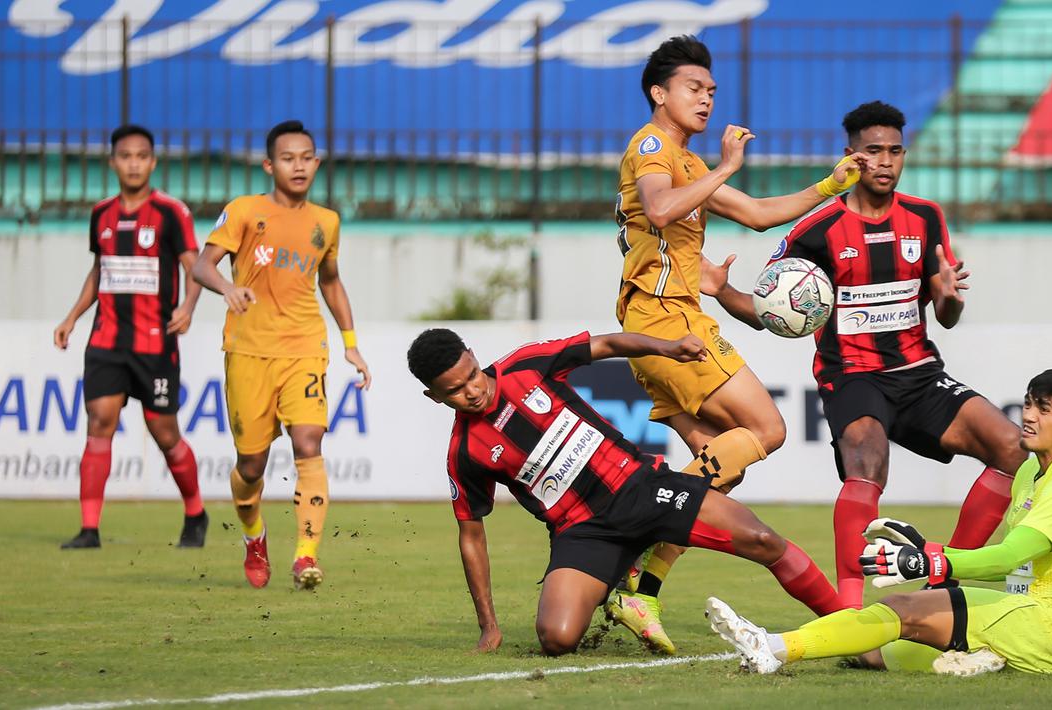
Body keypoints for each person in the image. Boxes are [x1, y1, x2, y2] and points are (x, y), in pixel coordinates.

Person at [703, 101, 1028, 609]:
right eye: (873, 151)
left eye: (895, 151)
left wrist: (949, 296)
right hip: (852, 376)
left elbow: (946, 316)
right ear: (850, 156)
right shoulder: (816, 231)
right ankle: (851, 611)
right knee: (868, 464)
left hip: (920, 374)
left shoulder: (925, 217)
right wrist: (724, 292)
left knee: (1011, 447)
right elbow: (770, 312)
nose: (885, 161)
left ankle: (943, 586)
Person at [609, 34, 867, 650]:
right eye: (693, 88)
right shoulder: (652, 146)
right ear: (659, 93)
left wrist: (829, 186)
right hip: (666, 319)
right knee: (767, 429)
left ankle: (638, 590)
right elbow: (660, 209)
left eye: (711, 90)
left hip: (666, 318)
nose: (706, 99)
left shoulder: (687, 163)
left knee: (719, 472)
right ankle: (634, 530)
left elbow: (754, 213)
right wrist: (726, 166)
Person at [407, 328, 845, 656]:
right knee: (557, 638)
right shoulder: (464, 452)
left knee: (764, 540)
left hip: (641, 487)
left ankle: (848, 628)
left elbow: (607, 345)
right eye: (455, 391)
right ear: (433, 397)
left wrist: (667, 348)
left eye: (471, 376)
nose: (472, 391)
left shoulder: (525, 365)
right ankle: (621, 583)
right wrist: (489, 625)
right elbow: (471, 536)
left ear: (472, 356)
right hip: (584, 532)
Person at [707, 368, 1052, 677]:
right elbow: (1015, 566)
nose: (1029, 416)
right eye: (1028, 404)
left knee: (900, 610)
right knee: (868, 653)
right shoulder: (1030, 470)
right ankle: (984, 657)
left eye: (1044, 409)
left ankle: (770, 646)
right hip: (1024, 611)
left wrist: (929, 562)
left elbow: (1009, 557)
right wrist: (927, 551)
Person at [192, 120, 371, 590]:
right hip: (249, 351)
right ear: (269, 165)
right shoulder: (244, 211)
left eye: (306, 158)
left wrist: (351, 344)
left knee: (309, 442)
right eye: (288, 158)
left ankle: (305, 556)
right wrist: (228, 288)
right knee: (251, 466)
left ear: (317, 162)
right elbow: (201, 265)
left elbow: (330, 281)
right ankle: (254, 535)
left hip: (305, 347)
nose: (298, 166)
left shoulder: (326, 222)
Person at [54, 124, 207, 550]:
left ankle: (196, 512)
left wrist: (187, 307)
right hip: (107, 341)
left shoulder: (171, 212)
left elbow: (194, 266)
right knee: (99, 421)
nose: (134, 164)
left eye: (141, 156)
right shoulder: (101, 214)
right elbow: (99, 270)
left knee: (164, 432)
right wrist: (72, 317)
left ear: (153, 163)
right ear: (113, 163)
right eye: (126, 156)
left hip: (155, 343)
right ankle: (89, 529)